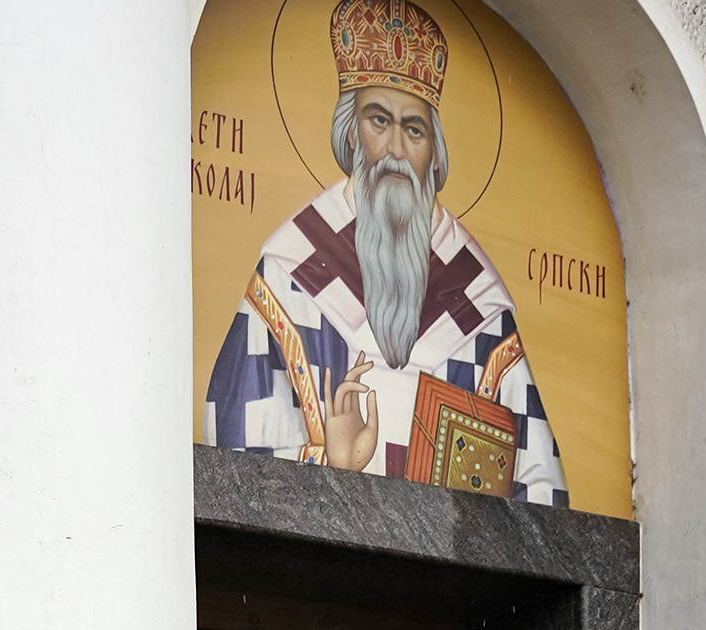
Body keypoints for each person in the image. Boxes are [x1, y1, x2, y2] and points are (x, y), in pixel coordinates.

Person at [202, 0, 566, 503]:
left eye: (414, 129)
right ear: (351, 134)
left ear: (434, 154)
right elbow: (234, 460)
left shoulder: (478, 307)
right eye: (379, 121)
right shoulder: (290, 277)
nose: (396, 148)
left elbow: (540, 490)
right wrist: (330, 464)